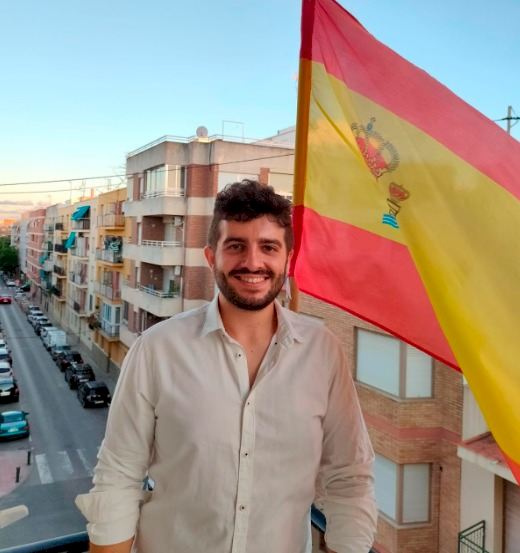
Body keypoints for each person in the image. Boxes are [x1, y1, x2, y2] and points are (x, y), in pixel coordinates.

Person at [76, 179, 377, 553]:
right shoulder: (157, 349)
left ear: (288, 258)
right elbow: (118, 477)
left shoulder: (322, 352)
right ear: (211, 257)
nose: (253, 262)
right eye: (236, 246)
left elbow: (350, 479)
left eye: (268, 247)